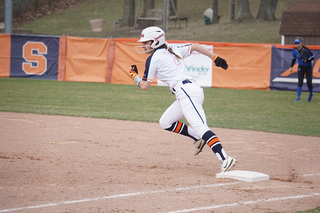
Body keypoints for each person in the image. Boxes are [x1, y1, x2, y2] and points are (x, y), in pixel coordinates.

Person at [129, 26, 236, 173]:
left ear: (155, 41)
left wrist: (134, 77)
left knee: (202, 128)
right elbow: (196, 47)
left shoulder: (153, 58)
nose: (143, 45)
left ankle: (225, 159)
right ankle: (198, 138)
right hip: (188, 92)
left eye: (145, 42)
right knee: (165, 122)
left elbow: (145, 86)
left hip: (186, 92)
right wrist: (215, 58)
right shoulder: (172, 49)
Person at [289, 37, 314, 102]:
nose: (297, 45)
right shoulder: (294, 51)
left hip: (308, 67)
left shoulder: (305, 49)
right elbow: (293, 59)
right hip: (301, 67)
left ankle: (311, 95)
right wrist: (291, 66)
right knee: (300, 82)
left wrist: (307, 59)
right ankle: (298, 98)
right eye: (295, 43)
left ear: (301, 43)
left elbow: (312, 57)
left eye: (298, 43)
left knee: (309, 83)